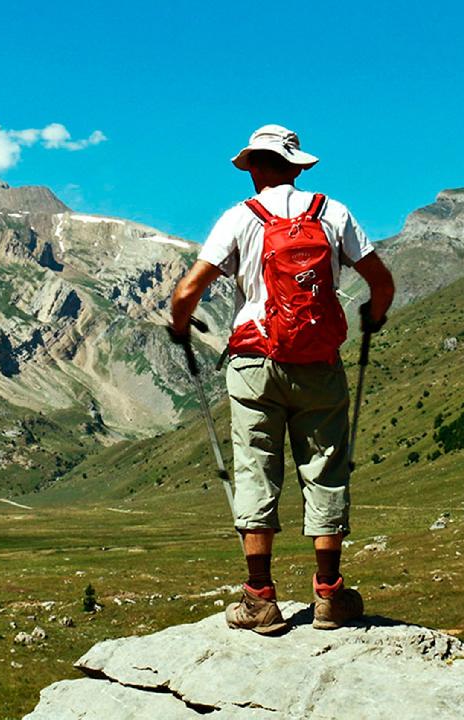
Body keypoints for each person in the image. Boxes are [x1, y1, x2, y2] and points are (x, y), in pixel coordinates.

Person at [168, 124, 395, 633]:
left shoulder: (238, 218)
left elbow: (187, 292)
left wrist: (181, 326)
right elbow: (381, 283)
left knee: (255, 471)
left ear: (254, 169)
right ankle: (331, 596)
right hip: (318, 362)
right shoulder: (332, 213)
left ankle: (260, 599)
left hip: (253, 361)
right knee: (326, 469)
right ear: (296, 166)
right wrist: (371, 319)